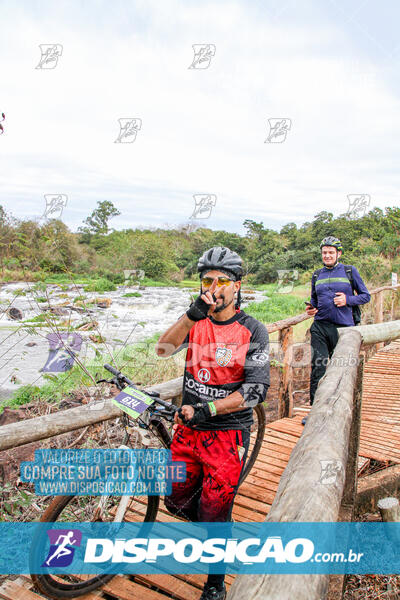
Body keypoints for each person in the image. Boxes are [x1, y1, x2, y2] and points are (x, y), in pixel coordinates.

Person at [155, 246, 270, 600]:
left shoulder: (253, 330)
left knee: (217, 512)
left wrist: (210, 409)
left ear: (239, 286)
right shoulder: (196, 319)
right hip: (188, 429)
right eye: (208, 279)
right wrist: (190, 316)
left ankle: (215, 582)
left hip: (226, 432)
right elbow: (163, 348)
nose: (215, 287)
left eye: (223, 280)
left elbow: (255, 391)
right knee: (173, 499)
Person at [303, 236, 370, 424]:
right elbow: (314, 301)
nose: (327, 255)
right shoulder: (317, 275)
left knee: (342, 371)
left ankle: (342, 413)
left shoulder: (350, 271)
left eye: (331, 252)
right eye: (324, 252)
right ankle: (315, 412)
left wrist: (347, 300)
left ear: (338, 253)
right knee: (319, 368)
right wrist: (311, 309)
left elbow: (366, 296)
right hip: (320, 328)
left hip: (344, 330)